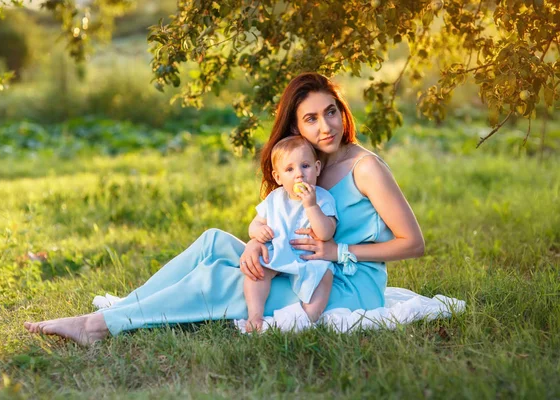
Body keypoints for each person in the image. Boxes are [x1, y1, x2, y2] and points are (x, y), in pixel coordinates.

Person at [24, 72, 425, 345]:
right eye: (312, 118)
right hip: (299, 264)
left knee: (226, 279)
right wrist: (254, 243)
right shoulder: (308, 167)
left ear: (343, 111)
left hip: (345, 284)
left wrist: (339, 251)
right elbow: (281, 224)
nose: (326, 126)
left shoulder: (365, 167)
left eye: (331, 112)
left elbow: (413, 243)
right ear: (297, 128)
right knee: (215, 242)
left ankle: (98, 326)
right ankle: (131, 304)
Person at [245, 135, 337, 332]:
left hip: (309, 258)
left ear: (317, 168)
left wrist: (310, 206)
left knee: (325, 275)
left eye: (305, 166)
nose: (299, 175)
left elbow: (326, 233)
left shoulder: (322, 198)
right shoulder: (275, 199)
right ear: (278, 177)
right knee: (257, 273)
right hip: (278, 251)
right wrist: (258, 231)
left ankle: (307, 318)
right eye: (289, 169)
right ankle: (255, 315)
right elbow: (255, 224)